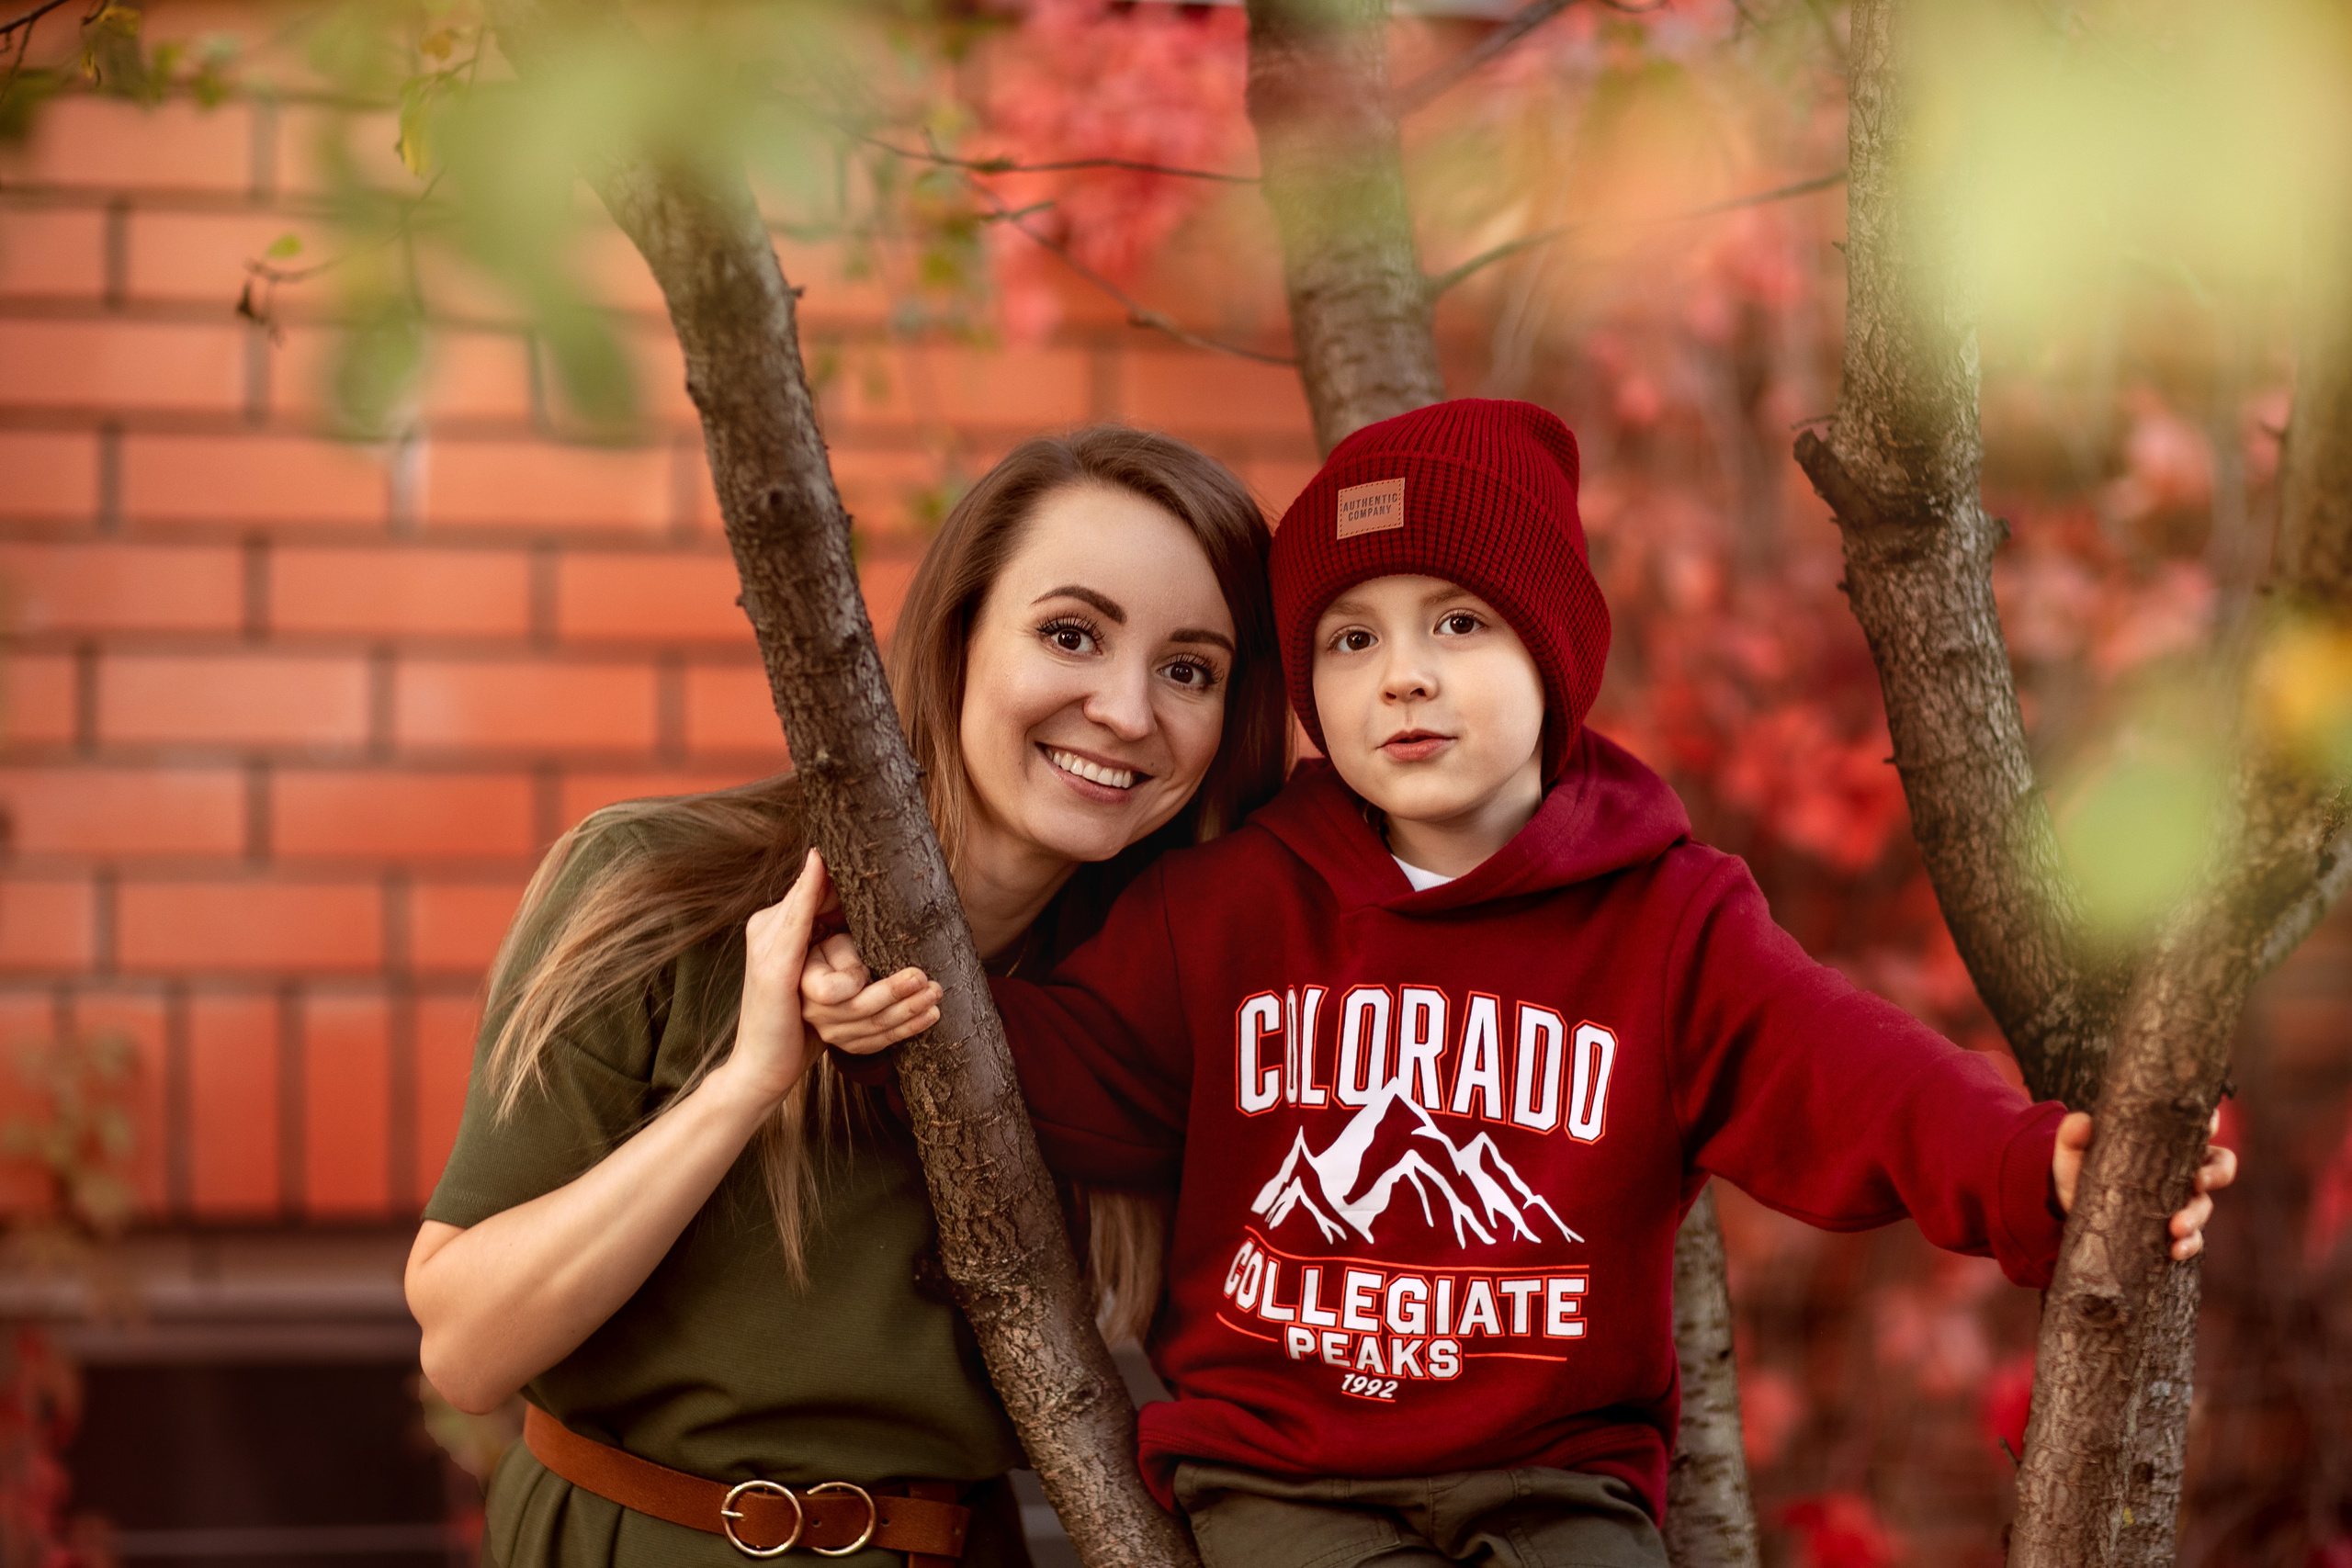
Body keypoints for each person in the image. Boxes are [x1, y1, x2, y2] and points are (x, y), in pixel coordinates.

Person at [806, 399, 2238, 1568]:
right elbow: (1064, 1060)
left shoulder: (1669, 917)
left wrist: (2017, 1157)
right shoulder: (1230, 903)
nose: (1403, 678)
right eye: (1351, 639)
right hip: (1284, 1477)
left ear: (1558, 660)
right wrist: (893, 1014)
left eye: (1458, 625)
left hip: (1560, 1478)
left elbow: (1848, 1072)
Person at [404, 425, 1288, 1568]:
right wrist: (746, 1084)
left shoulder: (1167, 1009)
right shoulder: (654, 890)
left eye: (1189, 669)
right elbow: (467, 1349)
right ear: (960, 636)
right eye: (1071, 634)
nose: (1126, 710)